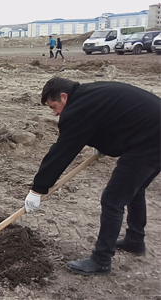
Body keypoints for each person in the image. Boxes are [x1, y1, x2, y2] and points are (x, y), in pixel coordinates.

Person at [24, 77, 160, 276]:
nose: (55, 113)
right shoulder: (91, 93)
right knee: (136, 189)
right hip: (153, 134)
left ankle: (101, 260)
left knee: (112, 199)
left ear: (64, 97)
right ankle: (134, 240)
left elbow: (62, 151)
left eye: (54, 107)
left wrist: (38, 189)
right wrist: (104, 143)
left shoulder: (77, 109)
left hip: (150, 141)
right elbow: (113, 117)